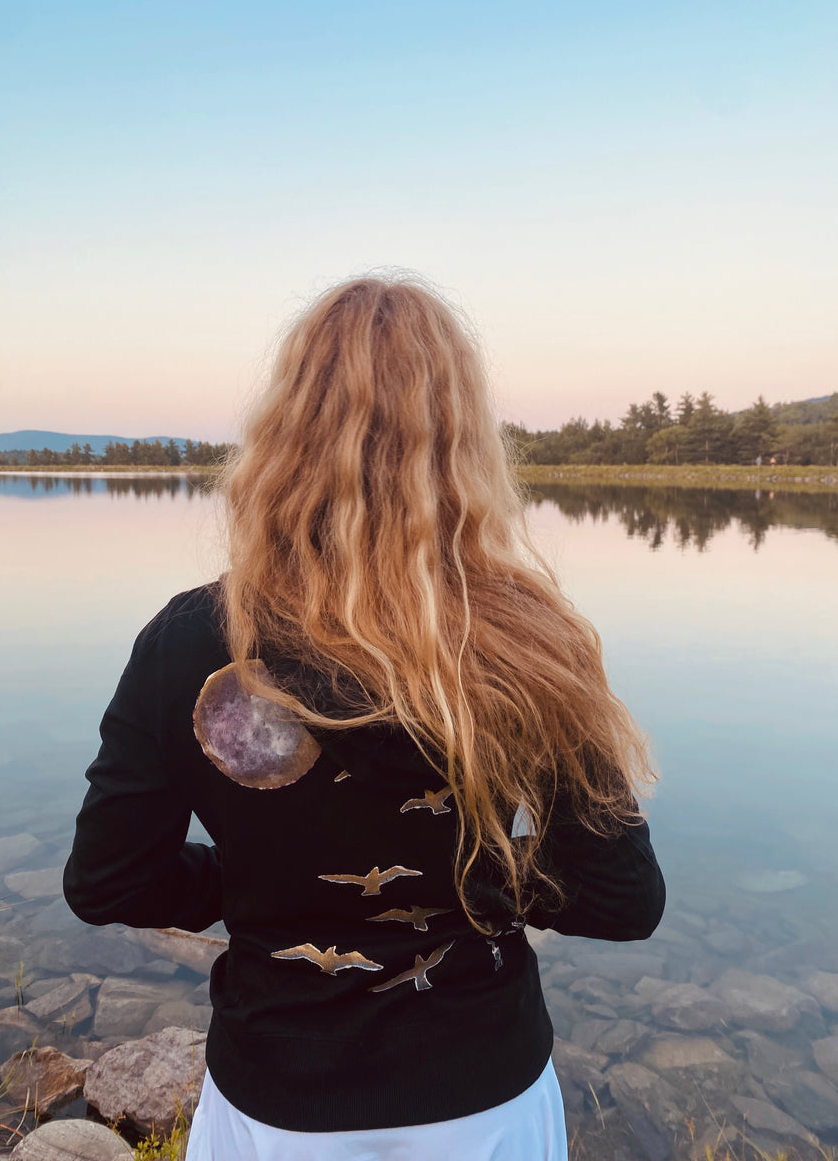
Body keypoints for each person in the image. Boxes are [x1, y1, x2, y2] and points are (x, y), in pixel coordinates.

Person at [64, 276, 665, 1160]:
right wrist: (480, 881)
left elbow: (107, 883)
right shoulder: (531, 642)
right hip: (485, 1102)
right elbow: (621, 899)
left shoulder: (187, 639)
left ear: (284, 433)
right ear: (463, 443)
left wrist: (251, 883)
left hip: (274, 1108)